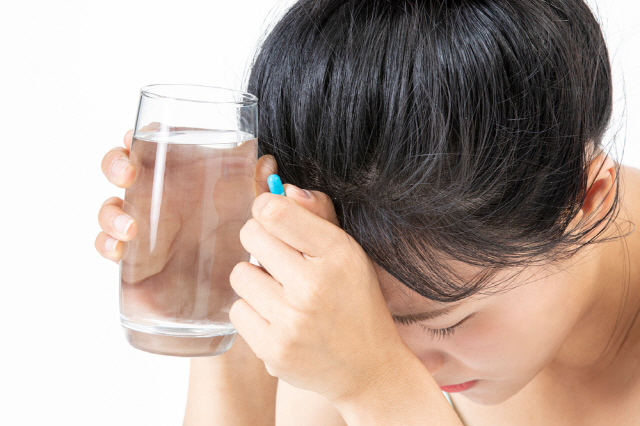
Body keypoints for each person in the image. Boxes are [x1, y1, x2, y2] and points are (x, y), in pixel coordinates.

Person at [96, 0, 640, 424]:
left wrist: (378, 386)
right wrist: (224, 298)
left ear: (587, 198)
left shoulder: (363, 357)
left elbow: (369, 362)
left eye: (446, 324)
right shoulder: (345, 324)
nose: (395, 352)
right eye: (371, 318)